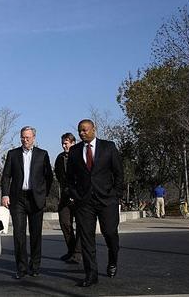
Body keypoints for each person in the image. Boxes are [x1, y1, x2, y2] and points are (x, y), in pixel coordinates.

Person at [66, 119, 124, 287]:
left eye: (84, 130)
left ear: (93, 130)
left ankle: (113, 261)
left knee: (110, 233)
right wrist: (75, 194)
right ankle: (91, 274)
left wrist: (115, 194)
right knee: (86, 239)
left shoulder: (109, 147)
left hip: (107, 200)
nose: (82, 133)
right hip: (84, 202)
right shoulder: (75, 151)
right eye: (79, 131)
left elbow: (118, 173)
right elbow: (70, 178)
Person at [1, 126, 54, 279]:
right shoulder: (12, 154)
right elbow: (6, 176)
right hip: (18, 199)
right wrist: (5, 194)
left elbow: (49, 177)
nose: (25, 140)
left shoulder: (42, 155)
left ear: (34, 138)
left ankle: (35, 266)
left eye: (28, 137)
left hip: (36, 199)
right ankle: (21, 268)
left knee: (36, 235)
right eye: (23, 137)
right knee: (19, 235)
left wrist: (44, 195)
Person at [54, 132, 81, 264]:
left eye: (66, 143)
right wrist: (67, 192)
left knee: (81, 225)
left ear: (73, 143)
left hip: (80, 197)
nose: (64, 145)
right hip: (65, 196)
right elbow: (59, 177)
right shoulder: (60, 158)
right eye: (63, 143)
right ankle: (71, 250)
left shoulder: (81, 155)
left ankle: (78, 252)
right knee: (65, 223)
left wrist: (76, 194)